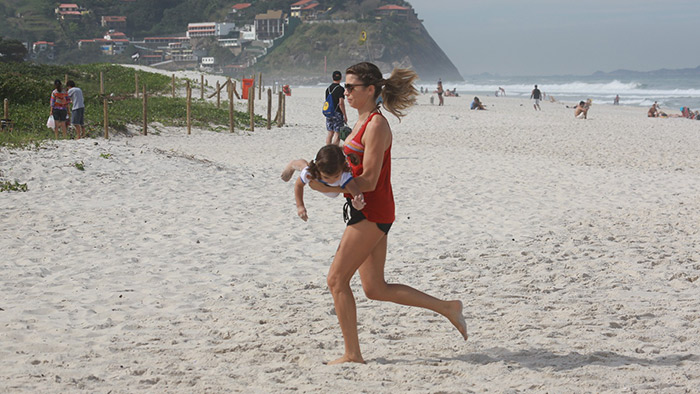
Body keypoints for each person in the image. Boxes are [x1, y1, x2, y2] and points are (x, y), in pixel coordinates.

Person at [307, 62, 468, 365]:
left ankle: (352, 354)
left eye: (351, 87)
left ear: (370, 90)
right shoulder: (359, 121)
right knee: (375, 288)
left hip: (374, 211)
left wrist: (326, 187)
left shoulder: (377, 125)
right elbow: (348, 171)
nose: (346, 92)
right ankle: (448, 308)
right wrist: (319, 174)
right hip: (366, 209)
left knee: (336, 281)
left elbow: (367, 179)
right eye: (345, 87)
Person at [281, 145, 364, 222]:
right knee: (304, 168)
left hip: (329, 183)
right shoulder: (311, 173)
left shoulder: (344, 174)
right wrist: (300, 206)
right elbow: (298, 186)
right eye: (326, 177)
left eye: (336, 177)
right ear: (318, 170)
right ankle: (293, 164)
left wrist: (359, 205)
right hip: (315, 172)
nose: (331, 181)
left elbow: (356, 192)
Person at [325, 71, 348, 146]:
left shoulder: (328, 89)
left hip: (329, 113)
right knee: (337, 133)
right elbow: (341, 103)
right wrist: (344, 115)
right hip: (337, 112)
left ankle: (328, 149)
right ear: (341, 78)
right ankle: (334, 149)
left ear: (332, 77)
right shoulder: (340, 89)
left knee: (330, 132)